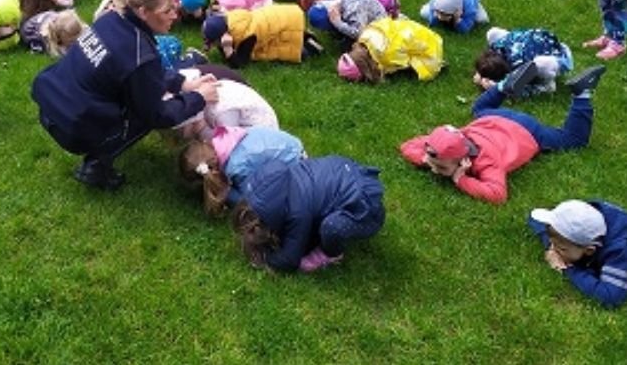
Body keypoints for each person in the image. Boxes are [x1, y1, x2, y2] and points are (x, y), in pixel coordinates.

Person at [32, 0, 220, 190]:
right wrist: (199, 97)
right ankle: (95, 166)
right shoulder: (140, 54)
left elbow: (136, 72)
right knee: (143, 115)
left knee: (136, 96)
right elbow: (157, 115)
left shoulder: (110, 19)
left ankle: (97, 148)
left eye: (174, 7)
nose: (175, 16)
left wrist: (180, 84)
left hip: (51, 109)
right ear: (143, 12)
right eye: (167, 11)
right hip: (72, 129)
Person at [399, 63, 606, 204]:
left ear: (463, 160)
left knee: (573, 140)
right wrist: (427, 159)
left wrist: (460, 179)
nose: (434, 170)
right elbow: (407, 146)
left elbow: (497, 194)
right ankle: (502, 86)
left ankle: (582, 93)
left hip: (527, 131)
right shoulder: (446, 143)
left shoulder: (487, 162)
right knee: (478, 109)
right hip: (493, 118)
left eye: (442, 167)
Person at [231, 155, 385, 273]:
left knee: (331, 228)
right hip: (345, 171)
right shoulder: (277, 182)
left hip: (366, 210)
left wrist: (265, 258)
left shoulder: (297, 214)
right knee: (313, 227)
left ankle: (331, 254)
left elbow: (290, 260)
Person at [179, 126, 305, 216]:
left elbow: (251, 200)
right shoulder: (224, 138)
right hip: (288, 146)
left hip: (294, 165)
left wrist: (224, 192)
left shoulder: (236, 167)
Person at [528, 199, 627, 308]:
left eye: (562, 249)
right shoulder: (583, 214)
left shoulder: (619, 251)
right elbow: (534, 218)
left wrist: (568, 269)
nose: (555, 252)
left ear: (589, 250)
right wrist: (550, 245)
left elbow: (610, 297)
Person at [202, 3, 322, 68]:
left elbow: (241, 62)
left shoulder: (246, 37)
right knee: (284, 34)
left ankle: (310, 46)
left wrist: (228, 50)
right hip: (283, 16)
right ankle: (304, 33)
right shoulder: (233, 19)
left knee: (286, 46)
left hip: (283, 23)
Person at [337, 17, 443, 83]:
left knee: (423, 71)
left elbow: (401, 61)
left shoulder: (387, 55)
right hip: (415, 32)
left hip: (429, 48)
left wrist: (383, 71)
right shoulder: (364, 37)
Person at [473, 27, 572, 94]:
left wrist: (496, 87)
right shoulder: (498, 46)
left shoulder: (518, 66)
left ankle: (546, 85)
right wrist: (480, 73)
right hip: (542, 43)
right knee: (493, 32)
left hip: (561, 56)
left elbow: (515, 89)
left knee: (541, 64)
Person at [308, 0, 387, 52]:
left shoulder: (353, 9)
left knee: (349, 48)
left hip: (379, 32)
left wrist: (338, 24)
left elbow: (358, 33)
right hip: (361, 20)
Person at [420, 0, 489, 33]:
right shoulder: (435, 2)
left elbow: (465, 29)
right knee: (424, 12)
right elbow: (432, 23)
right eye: (439, 12)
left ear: (457, 11)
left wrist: (457, 19)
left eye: (445, 15)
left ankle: (478, 5)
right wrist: (434, 17)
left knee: (482, 19)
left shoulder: (469, 8)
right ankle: (440, 10)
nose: (440, 17)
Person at [20, 9, 88, 56]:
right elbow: (60, 53)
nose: (76, 39)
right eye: (72, 40)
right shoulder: (47, 39)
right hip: (30, 30)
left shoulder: (65, 21)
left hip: (46, 17)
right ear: (60, 39)